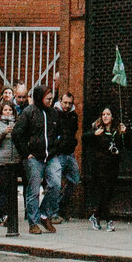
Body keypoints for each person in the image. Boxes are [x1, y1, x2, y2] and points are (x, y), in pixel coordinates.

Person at [13, 85, 63, 233]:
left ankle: (43, 214)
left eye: (51, 98)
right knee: (33, 190)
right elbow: (17, 134)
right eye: (47, 98)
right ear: (40, 98)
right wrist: (25, 152)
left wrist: (56, 148)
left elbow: (61, 133)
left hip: (51, 156)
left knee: (55, 185)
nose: (50, 100)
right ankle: (33, 222)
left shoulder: (54, 113)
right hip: (34, 157)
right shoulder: (29, 112)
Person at [84, 105, 125, 230]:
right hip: (100, 166)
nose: (105, 116)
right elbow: (84, 138)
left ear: (112, 117)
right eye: (103, 114)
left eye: (108, 114)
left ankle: (96, 216)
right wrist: (93, 134)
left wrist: (124, 134)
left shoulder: (116, 131)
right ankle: (109, 221)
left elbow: (125, 145)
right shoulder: (97, 129)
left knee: (108, 194)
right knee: (104, 191)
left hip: (113, 166)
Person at [0, 97, 23, 237]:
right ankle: (2, 215)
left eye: (10, 110)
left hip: (13, 162)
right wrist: (3, 132)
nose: (8, 112)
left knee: (10, 189)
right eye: (5, 110)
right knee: (3, 188)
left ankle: (6, 214)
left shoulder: (18, 124)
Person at [49, 90, 82, 224]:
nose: (67, 105)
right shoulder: (55, 114)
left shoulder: (73, 116)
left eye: (70, 103)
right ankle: (53, 212)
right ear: (60, 102)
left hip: (69, 153)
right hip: (59, 153)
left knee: (74, 180)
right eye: (65, 103)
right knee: (55, 183)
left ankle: (61, 207)